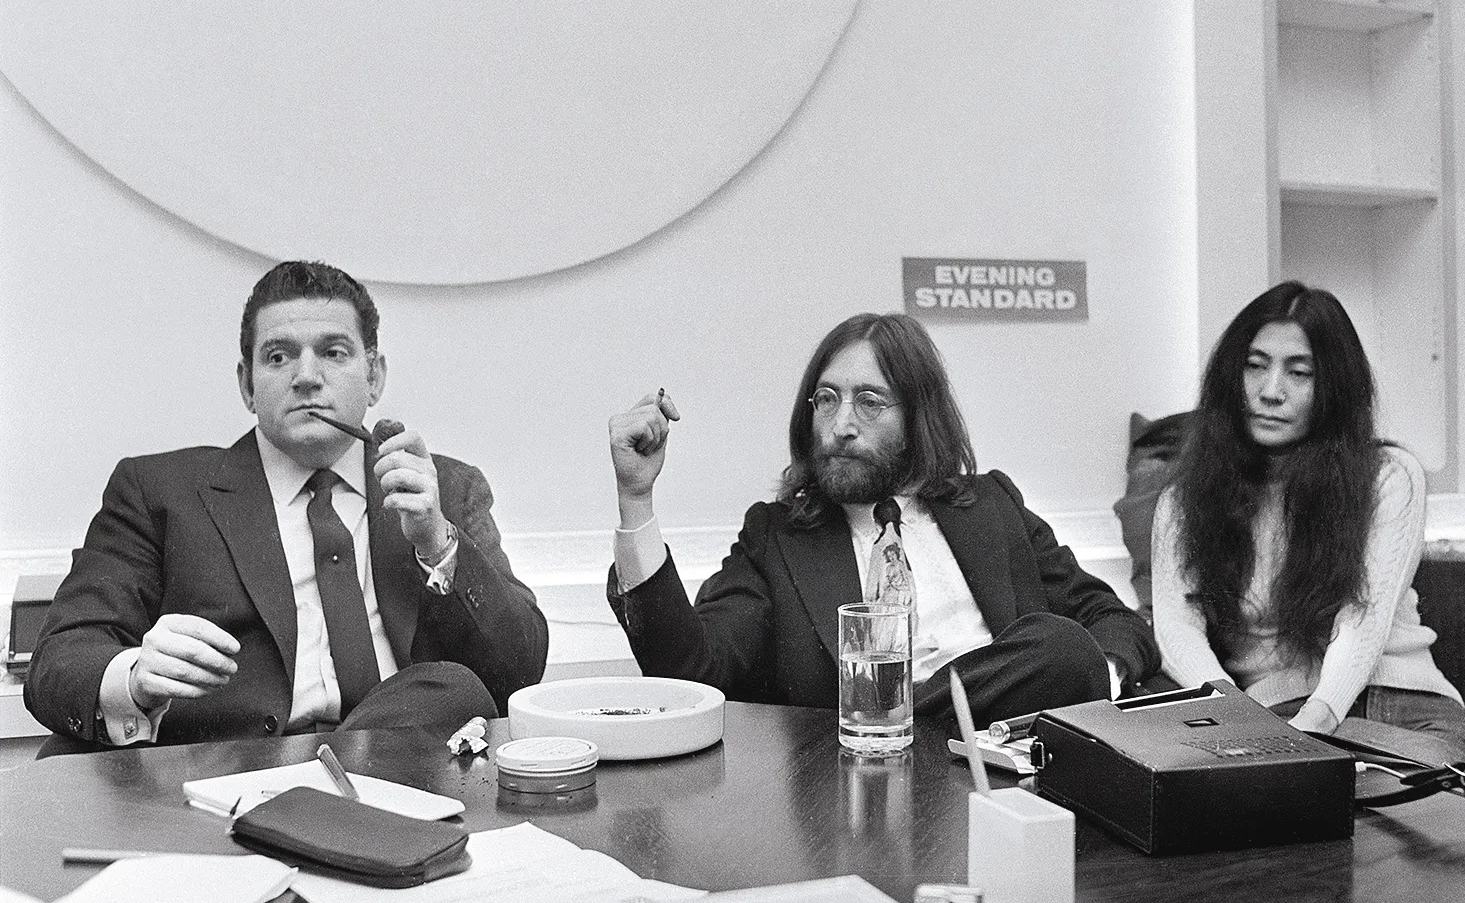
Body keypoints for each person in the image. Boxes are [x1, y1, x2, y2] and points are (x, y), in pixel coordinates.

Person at [25, 261, 549, 749]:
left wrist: (439, 545)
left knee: (449, 690)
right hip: (226, 773)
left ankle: (325, 790)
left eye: (334, 353)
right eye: (278, 357)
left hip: (400, 772)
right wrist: (137, 677)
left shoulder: (445, 490)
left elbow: (519, 671)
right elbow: (61, 657)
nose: (306, 377)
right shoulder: (157, 490)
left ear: (374, 377)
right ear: (247, 386)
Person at [605, 313, 1158, 727]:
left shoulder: (992, 505)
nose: (841, 424)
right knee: (1060, 650)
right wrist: (636, 497)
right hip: (856, 788)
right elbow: (693, 672)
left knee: (1060, 648)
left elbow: (1112, 620)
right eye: (827, 399)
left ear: (918, 417)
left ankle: (895, 716)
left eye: (869, 401)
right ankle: (885, 724)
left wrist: (1094, 685)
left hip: (1005, 771)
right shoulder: (776, 537)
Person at [1151, 281, 1465, 773]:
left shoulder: (1389, 477)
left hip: (1400, 705)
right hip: (1270, 711)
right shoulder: (1184, 498)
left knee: (1412, 798)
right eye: (1254, 366)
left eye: (1299, 373)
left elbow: (1361, 622)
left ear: (1334, 388)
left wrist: (1315, 727)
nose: (1271, 392)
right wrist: (1240, 720)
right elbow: (1178, 629)